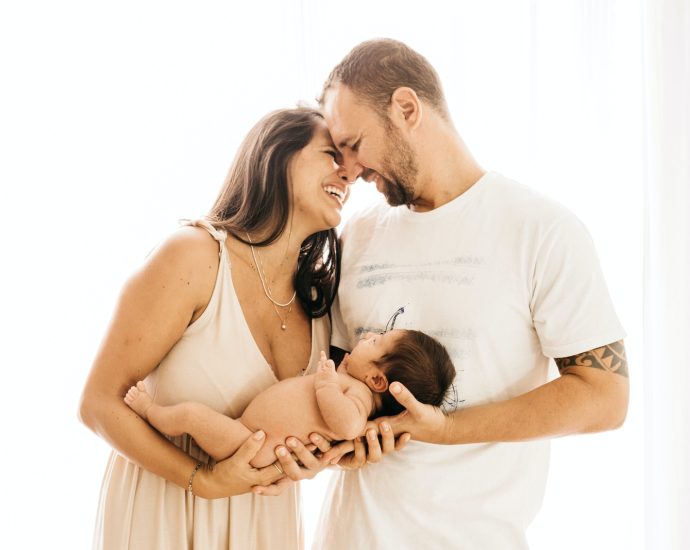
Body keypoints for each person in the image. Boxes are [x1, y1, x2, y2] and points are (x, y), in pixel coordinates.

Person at [314, 39, 629, 550]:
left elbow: (605, 397)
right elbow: (332, 377)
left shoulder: (542, 230)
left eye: (354, 144)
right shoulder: (359, 234)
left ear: (407, 108)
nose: (349, 169)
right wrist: (332, 442)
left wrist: (445, 428)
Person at [78, 107, 356, 549]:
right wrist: (201, 481)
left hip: (265, 523)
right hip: (168, 513)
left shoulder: (322, 307)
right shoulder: (194, 257)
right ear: (277, 156)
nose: (349, 174)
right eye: (331, 154)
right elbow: (97, 404)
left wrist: (310, 461)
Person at [123, 328, 455, 468]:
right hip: (247, 434)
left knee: (191, 416)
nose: (367, 335)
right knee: (196, 417)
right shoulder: (352, 380)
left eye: (377, 341)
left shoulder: (359, 397)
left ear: (378, 380)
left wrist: (325, 383)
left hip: (251, 446)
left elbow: (349, 426)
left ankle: (149, 410)